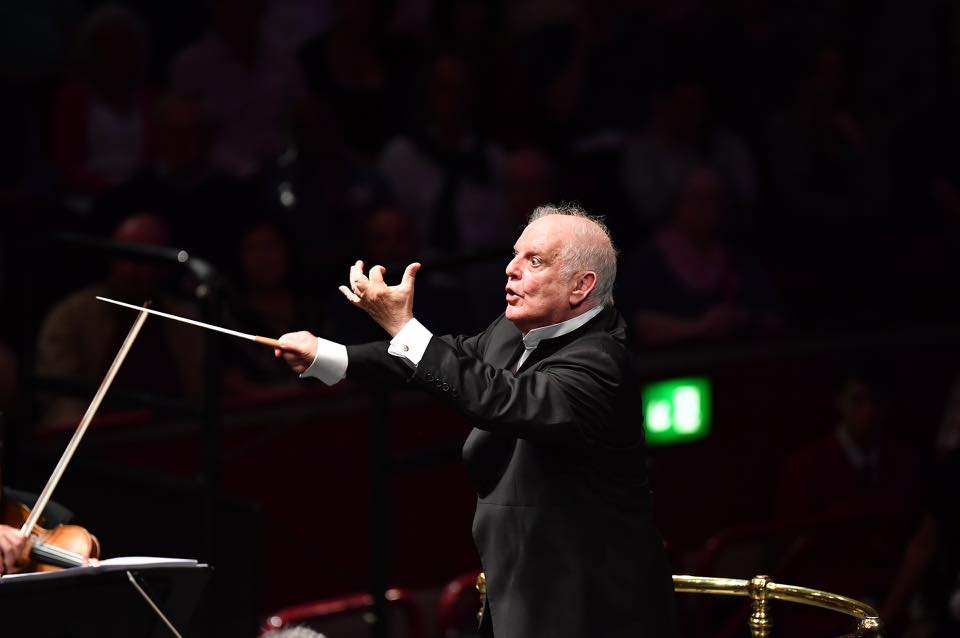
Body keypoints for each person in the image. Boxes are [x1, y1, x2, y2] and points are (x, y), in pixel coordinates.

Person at [276, 204, 676, 637]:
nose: (510, 269)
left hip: (591, 612)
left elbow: (496, 398)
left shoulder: (600, 362)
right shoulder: (510, 331)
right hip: (522, 591)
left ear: (581, 286)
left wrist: (403, 325)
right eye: (515, 255)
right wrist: (328, 354)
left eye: (534, 261)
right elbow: (448, 358)